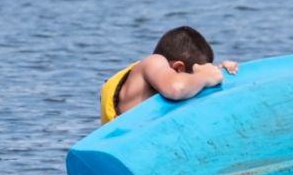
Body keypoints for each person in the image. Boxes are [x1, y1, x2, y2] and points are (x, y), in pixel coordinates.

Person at [99, 26, 239, 124]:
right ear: (178, 67)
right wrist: (206, 77)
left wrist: (219, 72)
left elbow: (188, 83)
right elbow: (177, 88)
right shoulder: (153, 62)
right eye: (193, 75)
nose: (195, 84)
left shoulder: (159, 78)